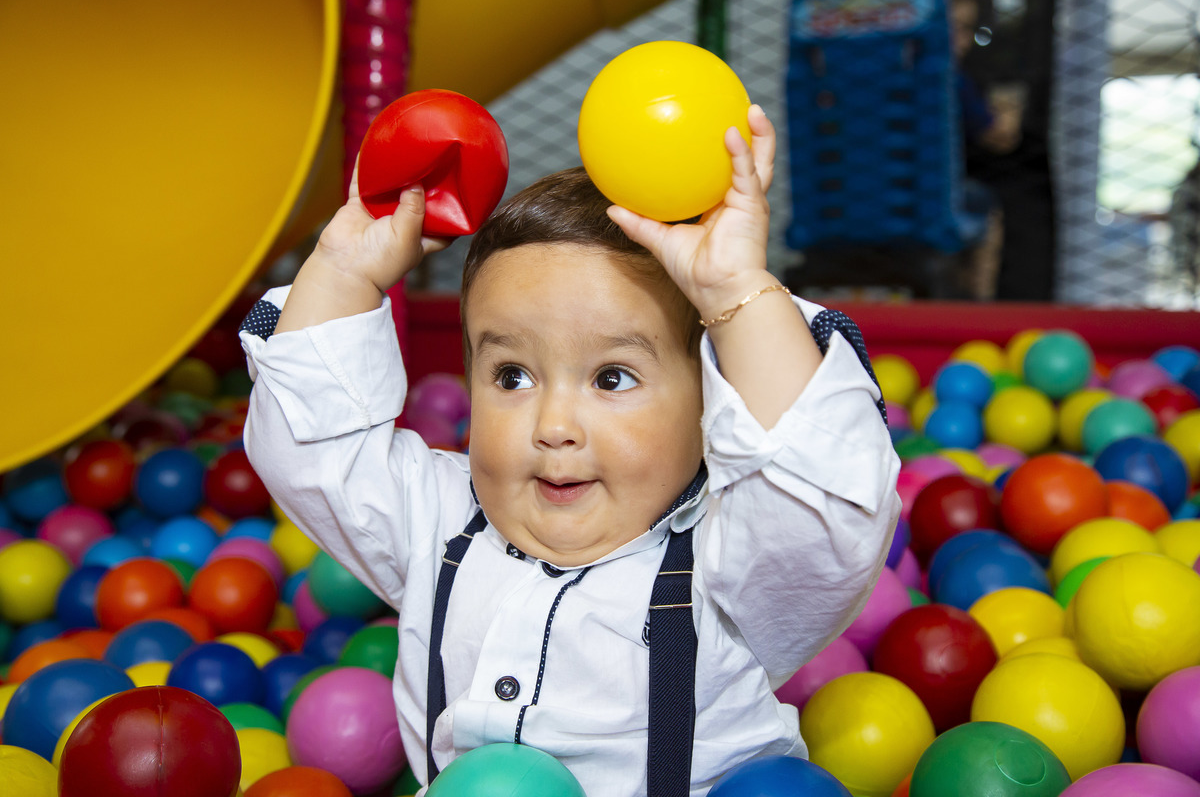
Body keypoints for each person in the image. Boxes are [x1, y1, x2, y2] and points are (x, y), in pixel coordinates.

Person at [240, 105, 900, 797]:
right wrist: (343, 271)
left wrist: (738, 296)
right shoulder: (436, 522)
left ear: (715, 400)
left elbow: (824, 505)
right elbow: (311, 449)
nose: (554, 425)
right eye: (512, 377)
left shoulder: (730, 565)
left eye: (612, 378)